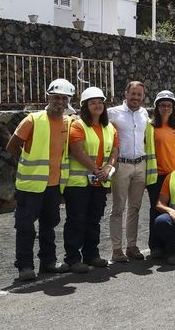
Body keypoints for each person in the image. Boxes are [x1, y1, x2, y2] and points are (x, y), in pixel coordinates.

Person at [6, 78, 76, 281]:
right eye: (56, 97)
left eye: (64, 98)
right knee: (26, 227)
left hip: (53, 185)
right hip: (30, 185)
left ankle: (48, 262)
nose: (60, 101)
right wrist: (27, 162)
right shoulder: (33, 120)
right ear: (48, 97)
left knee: (49, 225)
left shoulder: (68, 122)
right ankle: (25, 266)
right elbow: (12, 146)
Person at [64, 86, 118, 274]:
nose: (97, 105)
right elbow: (77, 151)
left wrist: (109, 166)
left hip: (98, 182)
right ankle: (72, 258)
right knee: (76, 220)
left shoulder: (109, 127)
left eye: (100, 102)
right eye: (92, 103)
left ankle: (91, 254)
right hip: (79, 183)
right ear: (85, 106)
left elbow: (115, 150)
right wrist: (97, 169)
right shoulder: (78, 125)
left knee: (94, 219)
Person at [107, 81, 149, 263]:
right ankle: (117, 249)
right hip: (121, 165)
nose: (136, 98)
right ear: (125, 93)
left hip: (140, 165)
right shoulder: (113, 113)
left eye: (139, 95)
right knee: (118, 208)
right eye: (133, 94)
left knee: (135, 207)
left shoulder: (144, 113)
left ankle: (131, 246)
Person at [144, 90, 175, 258]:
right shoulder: (150, 125)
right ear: (156, 107)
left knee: (174, 209)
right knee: (156, 210)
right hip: (158, 175)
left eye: (169, 105)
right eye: (162, 105)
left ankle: (171, 245)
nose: (166, 108)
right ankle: (155, 246)